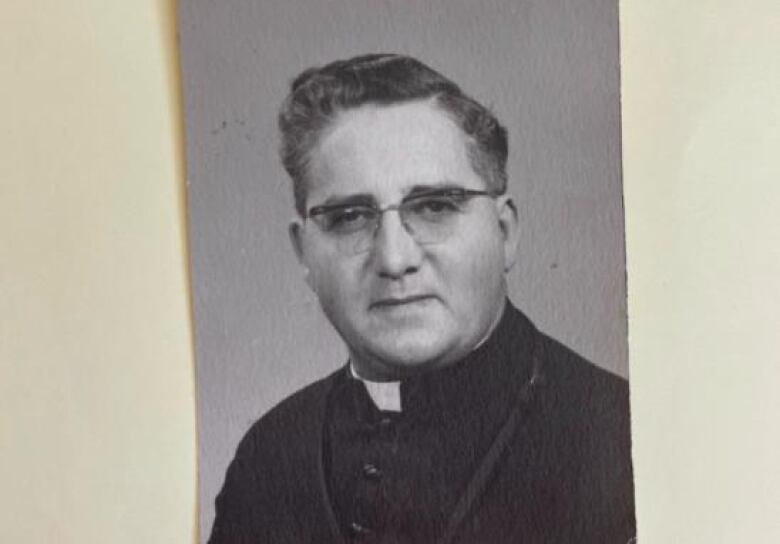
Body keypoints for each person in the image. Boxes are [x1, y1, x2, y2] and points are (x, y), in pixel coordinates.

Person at [208, 53, 635, 543]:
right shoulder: (269, 454)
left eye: (434, 207)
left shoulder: (625, 437)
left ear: (505, 232)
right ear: (303, 251)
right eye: (349, 217)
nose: (394, 259)